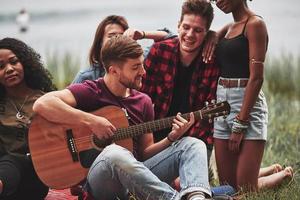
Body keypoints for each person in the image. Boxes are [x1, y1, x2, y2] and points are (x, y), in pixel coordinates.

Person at [33, 35, 213, 200]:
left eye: (142, 64)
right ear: (114, 71)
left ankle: (197, 197)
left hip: (137, 177)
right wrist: (91, 121)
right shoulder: (91, 91)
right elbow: (42, 104)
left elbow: (144, 152)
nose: (143, 71)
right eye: (135, 67)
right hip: (101, 182)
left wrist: (171, 138)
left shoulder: (143, 101)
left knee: (193, 144)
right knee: (113, 153)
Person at [210, 0, 293, 192]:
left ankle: (282, 176)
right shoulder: (228, 28)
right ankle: (267, 171)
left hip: (246, 105)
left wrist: (240, 124)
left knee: (245, 191)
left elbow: (256, 78)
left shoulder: (255, 24)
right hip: (221, 105)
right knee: (227, 189)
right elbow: (209, 36)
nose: (218, 2)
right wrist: (210, 37)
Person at [141, 0, 218, 166]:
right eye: (186, 27)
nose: (190, 34)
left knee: (184, 183)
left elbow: (208, 119)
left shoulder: (213, 61)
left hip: (195, 140)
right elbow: (141, 98)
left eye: (198, 30)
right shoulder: (159, 51)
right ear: (178, 26)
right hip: (157, 139)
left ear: (207, 33)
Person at [0, 38, 56, 200]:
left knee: (16, 159)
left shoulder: (46, 101)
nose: (9, 69)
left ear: (25, 63)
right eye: (1, 66)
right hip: (6, 179)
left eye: (14, 62)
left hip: (35, 177)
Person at [72, 15, 172, 84]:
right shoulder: (86, 77)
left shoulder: (139, 61)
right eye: (111, 36)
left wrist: (142, 34)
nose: (117, 39)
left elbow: (169, 37)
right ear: (100, 42)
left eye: (121, 35)